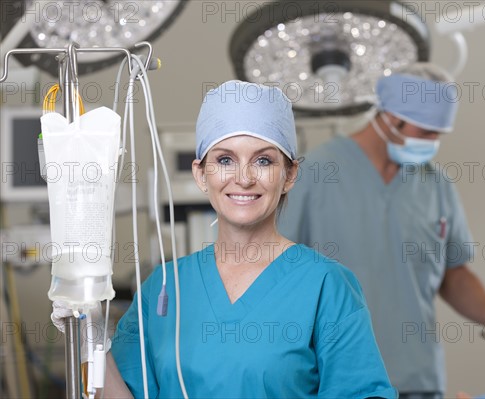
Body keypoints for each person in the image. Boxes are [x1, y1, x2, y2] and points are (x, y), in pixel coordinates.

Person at [51, 80, 397, 399]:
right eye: (225, 160)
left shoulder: (325, 286)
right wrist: (89, 337)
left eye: (263, 160)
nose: (243, 178)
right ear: (201, 174)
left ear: (289, 174)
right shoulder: (165, 288)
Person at [278, 63, 485, 399]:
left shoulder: (436, 186)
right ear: (391, 118)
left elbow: (454, 274)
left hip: (418, 380)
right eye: (426, 133)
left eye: (439, 134)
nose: (433, 143)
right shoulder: (316, 174)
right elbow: (278, 275)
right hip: (338, 381)